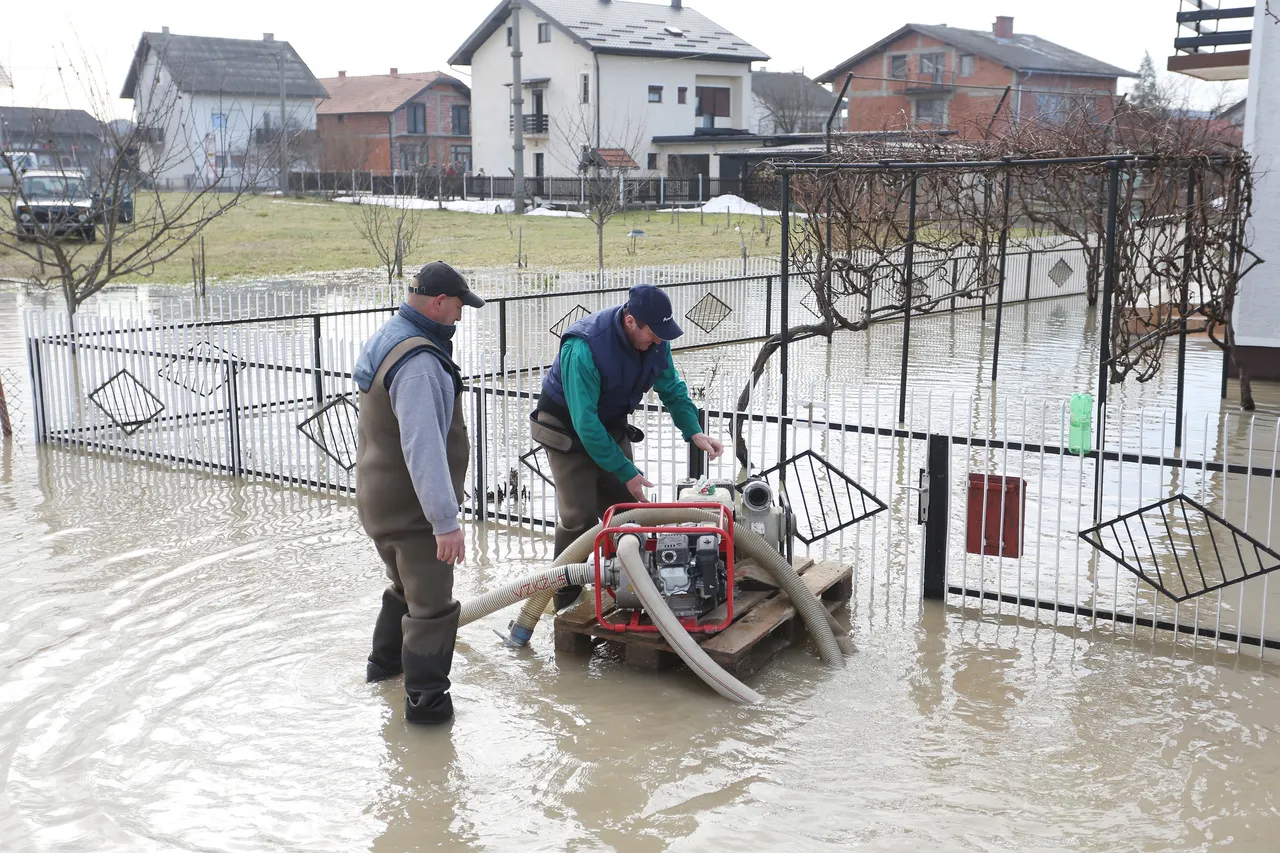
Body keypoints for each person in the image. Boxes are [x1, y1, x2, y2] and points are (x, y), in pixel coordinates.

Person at [530, 284, 724, 609]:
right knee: (578, 517)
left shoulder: (656, 342)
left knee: (626, 511)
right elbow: (585, 423)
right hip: (567, 429)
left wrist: (694, 431)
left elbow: (672, 388)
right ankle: (564, 599)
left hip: (608, 423)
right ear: (631, 321)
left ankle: (624, 583)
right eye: (653, 333)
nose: (659, 341)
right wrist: (626, 470)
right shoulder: (585, 348)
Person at [354, 261, 485, 724]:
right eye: (458, 307)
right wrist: (445, 523)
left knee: (404, 590)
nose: (460, 317)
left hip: (378, 500)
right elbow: (423, 446)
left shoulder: (389, 335)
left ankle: (382, 674)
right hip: (414, 513)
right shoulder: (421, 362)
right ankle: (427, 717)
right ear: (438, 302)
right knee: (432, 608)